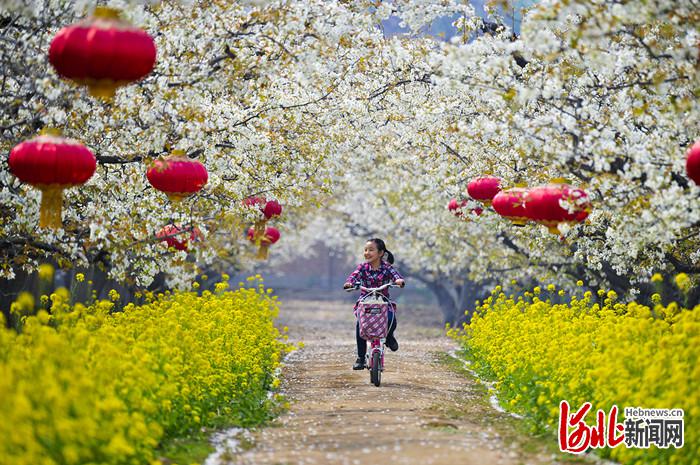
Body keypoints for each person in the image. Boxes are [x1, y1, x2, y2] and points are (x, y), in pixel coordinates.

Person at [343, 238, 405, 370]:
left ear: (381, 253)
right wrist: (350, 283)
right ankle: (360, 358)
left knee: (391, 319)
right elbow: (353, 276)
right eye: (365, 250)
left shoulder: (387, 267)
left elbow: (396, 275)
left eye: (371, 250)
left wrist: (398, 280)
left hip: (383, 302)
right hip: (365, 303)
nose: (367, 252)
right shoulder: (363, 267)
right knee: (361, 326)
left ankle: (389, 337)